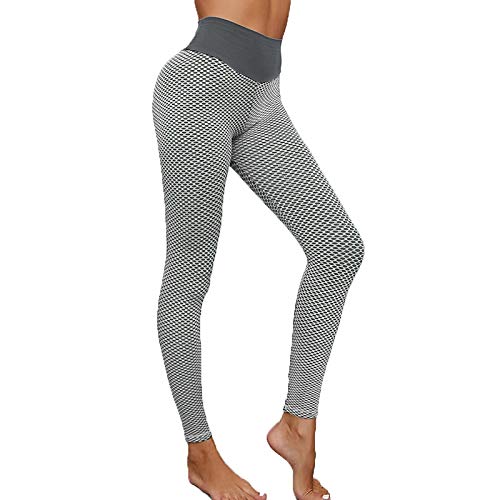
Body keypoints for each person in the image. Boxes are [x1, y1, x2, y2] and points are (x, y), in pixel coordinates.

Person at [152, 1, 364, 498]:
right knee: (189, 275)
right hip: (201, 86)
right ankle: (201, 454)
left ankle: (297, 423)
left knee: (338, 245)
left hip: (264, 93)